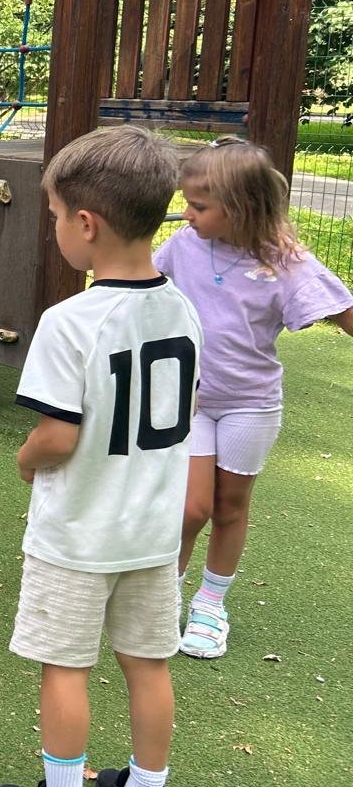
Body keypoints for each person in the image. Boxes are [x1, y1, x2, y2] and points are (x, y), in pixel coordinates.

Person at [0, 125, 201, 787]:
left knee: (66, 667)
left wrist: (24, 462)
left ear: (86, 224)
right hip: (152, 532)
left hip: (79, 533)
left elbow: (57, 436)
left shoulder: (71, 320)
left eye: (54, 216)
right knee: (149, 663)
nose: (54, 229)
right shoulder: (183, 309)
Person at [154, 136, 352, 659]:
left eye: (198, 206)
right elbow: (144, 284)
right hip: (191, 400)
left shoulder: (287, 262)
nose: (186, 214)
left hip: (251, 403)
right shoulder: (184, 245)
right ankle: (163, 595)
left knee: (229, 506)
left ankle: (210, 604)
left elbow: (342, 311)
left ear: (240, 208)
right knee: (191, 507)